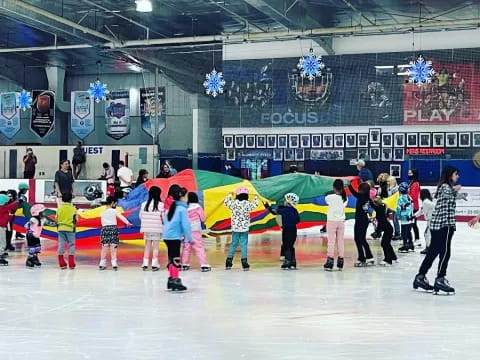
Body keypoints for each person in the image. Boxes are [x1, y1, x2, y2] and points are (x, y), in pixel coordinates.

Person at [413, 166, 461, 295]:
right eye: (456, 174)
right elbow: (448, 195)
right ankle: (440, 278)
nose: (458, 177)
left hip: (438, 226)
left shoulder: (443, 187)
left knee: (433, 252)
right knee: (445, 252)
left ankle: (420, 276)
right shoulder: (446, 187)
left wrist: (455, 192)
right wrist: (454, 190)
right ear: (450, 175)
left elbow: (448, 197)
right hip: (444, 225)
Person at [162, 187, 193, 291]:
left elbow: (165, 220)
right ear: (182, 197)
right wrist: (190, 238)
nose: (187, 199)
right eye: (186, 196)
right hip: (174, 237)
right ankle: (175, 279)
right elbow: (186, 225)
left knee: (171, 258)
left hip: (167, 236)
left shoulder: (172, 207)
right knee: (176, 258)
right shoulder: (182, 209)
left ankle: (171, 279)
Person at [224, 186, 259, 271]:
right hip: (244, 228)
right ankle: (244, 261)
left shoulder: (234, 203)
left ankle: (229, 261)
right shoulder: (247, 204)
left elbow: (226, 203)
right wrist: (255, 197)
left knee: (233, 244)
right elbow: (255, 204)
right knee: (244, 244)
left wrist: (229, 195)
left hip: (235, 228)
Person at [265, 193, 301, 270]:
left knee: (286, 245)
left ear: (288, 202)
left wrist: (267, 207)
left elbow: (274, 212)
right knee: (291, 245)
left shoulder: (284, 210)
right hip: (293, 230)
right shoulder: (295, 210)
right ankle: (293, 262)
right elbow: (298, 220)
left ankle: (287, 261)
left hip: (286, 230)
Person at [99, 196, 132, 271]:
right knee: (113, 247)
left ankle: (102, 263)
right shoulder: (114, 211)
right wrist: (128, 223)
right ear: (112, 203)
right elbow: (121, 217)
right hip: (113, 229)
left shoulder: (102, 212)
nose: (116, 205)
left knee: (104, 247)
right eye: (115, 204)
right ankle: (114, 263)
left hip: (105, 229)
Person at [181, 192, 211, 272]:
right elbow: (203, 219)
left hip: (187, 230)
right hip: (195, 229)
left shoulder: (185, 208)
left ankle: (184, 264)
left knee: (186, 247)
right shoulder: (198, 207)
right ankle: (204, 264)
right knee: (199, 247)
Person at [348, 181, 375, 267]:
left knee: (358, 239)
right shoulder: (367, 197)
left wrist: (349, 186)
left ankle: (363, 257)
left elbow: (354, 193)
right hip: (364, 220)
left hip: (361, 220)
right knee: (361, 239)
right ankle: (367, 256)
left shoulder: (362, 196)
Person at [323, 179, 347, 271]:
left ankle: (330, 261)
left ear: (333, 187)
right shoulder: (345, 198)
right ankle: (341, 261)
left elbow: (325, 199)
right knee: (340, 241)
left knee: (331, 242)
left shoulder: (330, 197)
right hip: (341, 221)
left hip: (331, 221)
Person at [139, 186, 164, 271]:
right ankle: (154, 263)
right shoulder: (161, 205)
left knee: (147, 246)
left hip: (146, 228)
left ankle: (145, 263)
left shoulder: (144, 204)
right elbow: (163, 217)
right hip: (157, 228)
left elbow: (140, 216)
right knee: (156, 247)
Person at [370, 193, 397, 266]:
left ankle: (388, 260)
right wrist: (377, 232)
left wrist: (367, 198)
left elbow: (373, 205)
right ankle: (393, 257)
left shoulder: (379, 210)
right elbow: (380, 224)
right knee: (386, 243)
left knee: (384, 244)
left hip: (388, 229)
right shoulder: (381, 208)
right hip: (388, 229)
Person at [56, 193, 77, 269]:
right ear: (71, 200)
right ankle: (71, 263)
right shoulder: (73, 209)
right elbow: (75, 220)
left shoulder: (59, 208)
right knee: (71, 245)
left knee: (61, 244)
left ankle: (61, 262)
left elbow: (57, 219)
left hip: (61, 228)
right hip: (70, 229)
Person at [0, 194, 18, 266]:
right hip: (0, 227)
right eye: (6, 202)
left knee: (2, 241)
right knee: (2, 242)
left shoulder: (4, 209)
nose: (7, 203)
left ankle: (0, 255)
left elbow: (8, 216)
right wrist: (17, 201)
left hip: (2, 227)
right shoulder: (1, 208)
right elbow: (10, 206)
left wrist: (12, 216)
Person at [397, 182, 415, 253]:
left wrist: (399, 216)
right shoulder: (409, 197)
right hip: (410, 217)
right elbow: (412, 207)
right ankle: (410, 244)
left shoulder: (400, 198)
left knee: (404, 232)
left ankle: (405, 245)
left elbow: (398, 209)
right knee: (409, 231)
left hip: (404, 217)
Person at [416, 189, 435, 255]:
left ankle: (429, 248)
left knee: (427, 234)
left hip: (431, 220)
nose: (418, 195)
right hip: (432, 219)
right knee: (428, 234)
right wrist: (414, 216)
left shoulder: (425, 202)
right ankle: (429, 247)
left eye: (419, 193)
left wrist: (413, 216)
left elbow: (423, 211)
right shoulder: (426, 201)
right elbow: (421, 210)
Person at [408, 169, 421, 246]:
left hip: (414, 206)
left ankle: (417, 238)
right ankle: (412, 238)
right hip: (410, 206)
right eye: (408, 173)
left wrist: (407, 197)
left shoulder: (415, 184)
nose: (409, 174)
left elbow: (414, 196)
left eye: (410, 173)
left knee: (413, 223)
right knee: (412, 223)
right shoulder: (411, 183)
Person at [387, 176, 401, 241]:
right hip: (390, 205)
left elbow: (395, 198)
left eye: (389, 181)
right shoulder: (388, 188)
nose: (388, 182)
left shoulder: (396, 188)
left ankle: (397, 233)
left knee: (395, 220)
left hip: (395, 206)